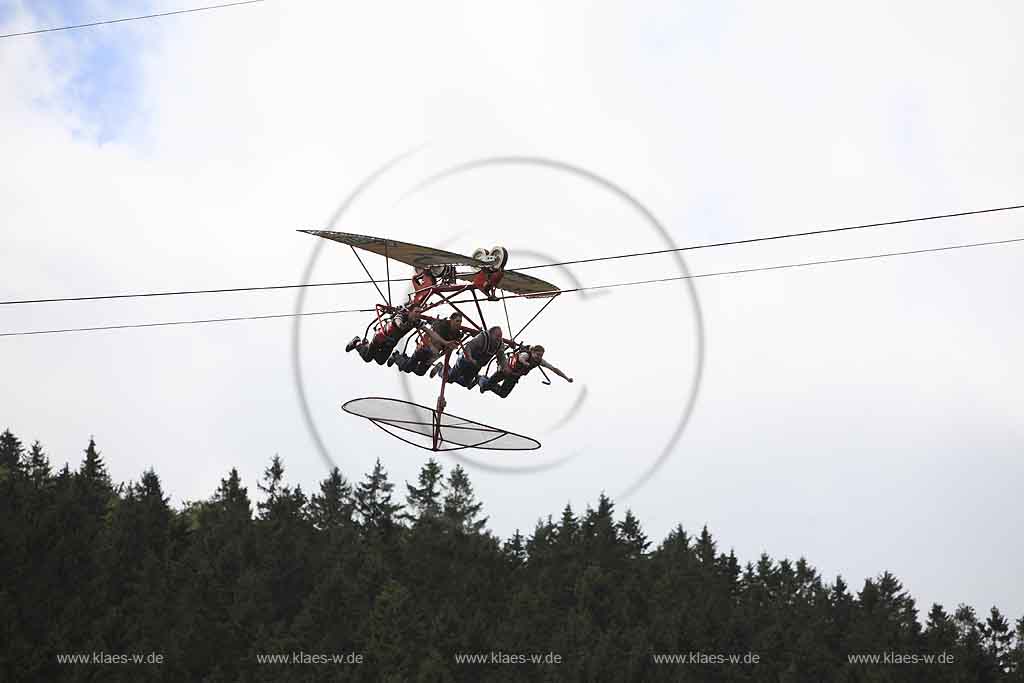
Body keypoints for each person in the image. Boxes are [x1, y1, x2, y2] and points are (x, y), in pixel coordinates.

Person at [479, 344, 572, 398]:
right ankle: (482, 379)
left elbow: (553, 369)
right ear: (533, 352)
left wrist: (566, 378)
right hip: (505, 370)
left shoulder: (539, 361)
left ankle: (484, 381)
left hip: (514, 376)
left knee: (503, 394)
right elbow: (521, 358)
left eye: (541, 355)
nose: (539, 357)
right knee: (486, 386)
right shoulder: (527, 355)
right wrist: (525, 363)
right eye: (538, 354)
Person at [391, 312, 464, 376]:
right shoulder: (442, 325)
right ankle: (396, 356)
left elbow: (448, 348)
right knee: (408, 368)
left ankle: (439, 368)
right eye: (457, 321)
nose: (459, 324)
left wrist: (437, 357)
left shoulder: (457, 334)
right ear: (451, 320)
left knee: (420, 372)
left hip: (433, 353)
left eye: (460, 322)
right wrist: (434, 346)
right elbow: (430, 335)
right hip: (424, 348)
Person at [345, 306, 422, 365]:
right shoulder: (400, 316)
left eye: (420, 313)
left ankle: (366, 347)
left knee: (381, 361)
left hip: (390, 344)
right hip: (380, 338)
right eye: (416, 312)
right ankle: (356, 342)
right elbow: (400, 325)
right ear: (410, 312)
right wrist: (412, 323)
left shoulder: (415, 321)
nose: (418, 314)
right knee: (367, 358)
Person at [443, 325, 508, 388]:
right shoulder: (483, 337)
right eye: (497, 336)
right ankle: (440, 368)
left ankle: (476, 379)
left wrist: (505, 367)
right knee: (450, 378)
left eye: (500, 337)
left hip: (476, 366)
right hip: (465, 360)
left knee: (465, 383)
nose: (498, 339)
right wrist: (469, 357)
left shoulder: (500, 345)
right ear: (491, 334)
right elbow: (469, 346)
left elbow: (501, 357)